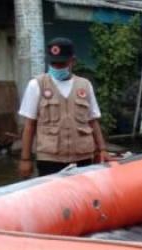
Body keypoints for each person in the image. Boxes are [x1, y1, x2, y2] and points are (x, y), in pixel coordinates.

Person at [18, 37, 108, 177]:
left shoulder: (85, 85)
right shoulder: (37, 85)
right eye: (54, 63)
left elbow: (93, 120)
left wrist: (101, 149)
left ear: (73, 61)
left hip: (82, 157)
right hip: (49, 159)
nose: (57, 67)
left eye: (62, 63)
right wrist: (25, 159)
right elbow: (29, 125)